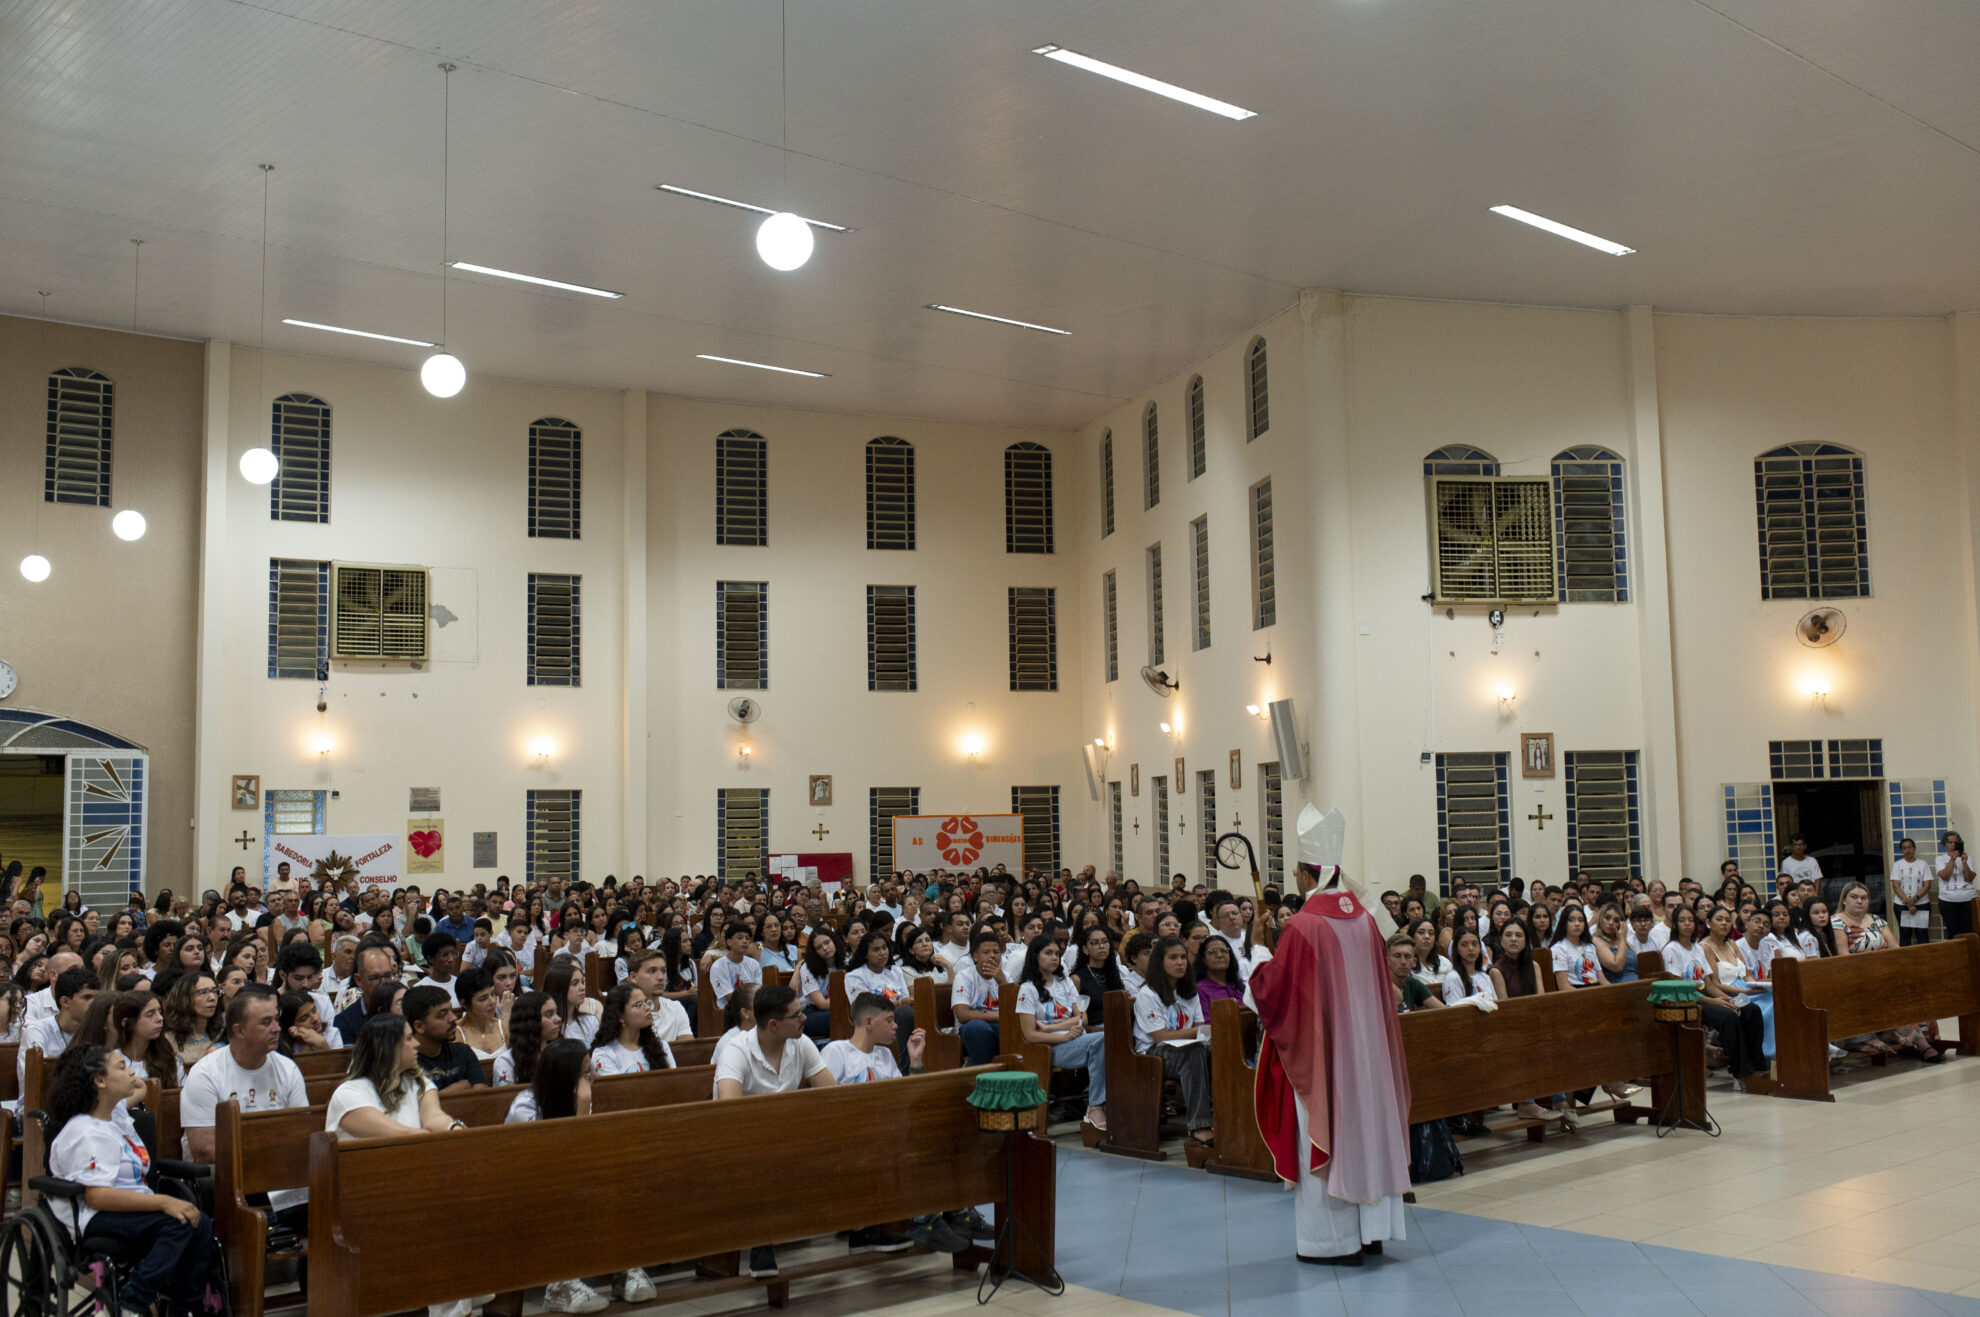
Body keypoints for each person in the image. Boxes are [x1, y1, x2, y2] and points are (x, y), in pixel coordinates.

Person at [1249, 843, 1412, 1267]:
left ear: (1306, 875)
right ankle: (1373, 1233)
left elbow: (1272, 992)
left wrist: (1258, 952)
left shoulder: (1304, 925)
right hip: (1368, 1052)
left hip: (1326, 1057)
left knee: (1326, 1136)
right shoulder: (1364, 918)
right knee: (1367, 1129)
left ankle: (1333, 1244)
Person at [325, 1013, 489, 1317]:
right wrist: (436, 1139)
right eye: (408, 1039)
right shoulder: (349, 1095)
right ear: (387, 1047)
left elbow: (434, 1118)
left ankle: (461, 1309)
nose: (416, 1044)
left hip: (411, 1190)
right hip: (364, 1200)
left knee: (468, 1211)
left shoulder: (418, 1082)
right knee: (444, 1224)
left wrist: (456, 1131)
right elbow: (399, 1136)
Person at [45, 1045, 219, 1317]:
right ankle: (131, 1302)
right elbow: (96, 1196)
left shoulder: (112, 1114)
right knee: (179, 1222)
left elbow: (140, 1088)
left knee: (201, 1222)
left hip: (131, 1205)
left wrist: (124, 1075)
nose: (132, 1072)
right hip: (97, 1214)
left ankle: (186, 1309)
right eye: (121, 1067)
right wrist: (163, 1202)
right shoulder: (86, 1132)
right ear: (99, 1081)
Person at [502, 1037, 650, 1311]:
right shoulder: (525, 1107)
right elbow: (553, 1163)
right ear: (565, 1076)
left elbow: (580, 1159)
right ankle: (560, 1285)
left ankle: (624, 1269)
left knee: (622, 1186)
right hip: (525, 1188)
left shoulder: (575, 1095)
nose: (593, 1076)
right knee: (567, 1198)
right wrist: (583, 1105)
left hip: (567, 1177)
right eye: (585, 1072)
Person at [712, 985, 846, 1277]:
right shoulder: (736, 1050)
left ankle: (866, 1230)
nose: (804, 1019)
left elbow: (833, 1095)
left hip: (786, 1133)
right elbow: (729, 1112)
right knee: (761, 1161)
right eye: (796, 1015)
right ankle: (761, 1244)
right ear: (773, 1024)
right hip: (737, 1139)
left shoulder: (801, 1043)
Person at [1014, 933, 1107, 1130]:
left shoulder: (1064, 982)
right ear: (1035, 956)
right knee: (1102, 1040)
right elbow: (1030, 1035)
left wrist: (1051, 1026)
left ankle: (1111, 1104)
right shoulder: (1027, 989)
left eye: (1057, 953)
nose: (1055, 957)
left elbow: (1083, 1018)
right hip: (1049, 1048)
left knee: (1109, 1040)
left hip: (1075, 1040)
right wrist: (1063, 1034)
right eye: (1048, 953)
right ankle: (1096, 1106)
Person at [1133, 935, 1213, 1148]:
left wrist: (1200, 1033)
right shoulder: (1148, 994)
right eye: (1173, 958)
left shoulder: (1189, 991)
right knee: (1194, 1052)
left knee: (1218, 1051)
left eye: (1183, 957)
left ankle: (1226, 1117)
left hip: (1185, 1047)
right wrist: (1197, 1032)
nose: (1180, 963)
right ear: (1160, 962)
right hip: (1153, 1053)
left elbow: (1199, 1029)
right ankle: (1198, 1124)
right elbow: (1160, 1037)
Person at [15, 965, 98, 1114]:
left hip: (86, 1105)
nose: (94, 1004)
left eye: (97, 998)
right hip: (39, 1109)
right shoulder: (36, 1031)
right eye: (87, 997)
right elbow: (38, 1082)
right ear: (65, 1001)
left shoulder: (97, 1030)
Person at [403, 985, 487, 1092]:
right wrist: (458, 1087)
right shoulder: (408, 1063)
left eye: (451, 1011)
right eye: (442, 1014)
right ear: (419, 1026)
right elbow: (418, 1106)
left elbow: (481, 1095)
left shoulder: (463, 1052)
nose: (453, 1018)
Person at [947, 929, 1005, 1066]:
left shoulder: (1005, 975)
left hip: (999, 1026)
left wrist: (1003, 982)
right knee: (977, 1027)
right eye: (986, 952)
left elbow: (1016, 1009)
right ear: (976, 957)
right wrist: (999, 1017)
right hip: (970, 1031)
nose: (992, 956)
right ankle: (985, 1074)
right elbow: (962, 1014)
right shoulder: (964, 976)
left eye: (996, 952)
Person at [590, 983, 675, 1074]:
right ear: (621, 1016)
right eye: (638, 1005)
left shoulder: (661, 1046)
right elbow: (616, 1088)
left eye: (646, 1002)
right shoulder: (604, 1055)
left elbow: (674, 1082)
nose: (647, 1007)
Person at [492, 990, 557, 1086]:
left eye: (556, 1013)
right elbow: (507, 1099)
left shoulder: (559, 1053)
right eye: (549, 1014)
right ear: (531, 1021)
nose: (558, 1019)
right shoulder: (505, 1062)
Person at [709, 922, 764, 1009]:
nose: (745, 941)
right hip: (728, 1011)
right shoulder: (718, 966)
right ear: (729, 942)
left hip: (752, 1007)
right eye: (740, 938)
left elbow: (758, 992)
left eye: (747, 938)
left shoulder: (754, 964)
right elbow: (729, 997)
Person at [1938, 831, 1975, 940]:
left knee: (1969, 930)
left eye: (1956, 842)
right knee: (1952, 930)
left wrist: (1964, 863)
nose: (1953, 845)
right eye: (1950, 842)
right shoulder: (1940, 859)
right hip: (1948, 900)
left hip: (1967, 899)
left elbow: (1969, 878)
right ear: (1945, 844)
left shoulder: (1967, 858)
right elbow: (1945, 876)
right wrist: (1952, 859)